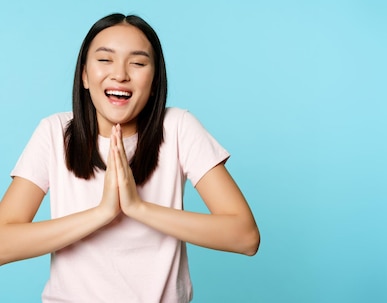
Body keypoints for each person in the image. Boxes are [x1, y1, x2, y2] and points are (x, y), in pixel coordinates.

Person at [0, 13, 260, 302]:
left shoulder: (177, 127)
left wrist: (138, 208)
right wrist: (102, 213)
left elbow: (245, 237)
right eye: (105, 60)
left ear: (154, 81)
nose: (120, 74)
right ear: (85, 75)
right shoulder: (54, 132)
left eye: (137, 63)